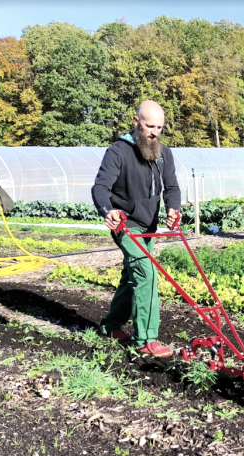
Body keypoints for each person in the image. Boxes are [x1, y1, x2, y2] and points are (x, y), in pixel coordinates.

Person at [92, 100, 181, 358]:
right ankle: (146, 339)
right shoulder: (119, 151)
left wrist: (173, 208)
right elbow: (100, 187)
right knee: (146, 272)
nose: (154, 132)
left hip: (148, 224)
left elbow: (171, 187)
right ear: (136, 121)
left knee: (132, 275)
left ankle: (110, 326)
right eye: (149, 126)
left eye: (159, 127)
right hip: (125, 222)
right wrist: (107, 209)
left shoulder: (164, 152)